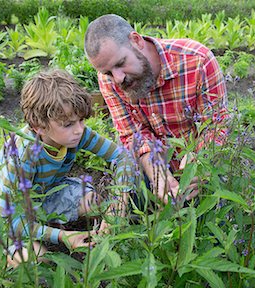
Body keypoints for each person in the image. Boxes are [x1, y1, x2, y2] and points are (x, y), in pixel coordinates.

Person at [0, 69, 131, 267]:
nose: (79, 129)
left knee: (95, 203)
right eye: (68, 124)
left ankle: (44, 225)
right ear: (39, 126)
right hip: (5, 211)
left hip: (44, 194)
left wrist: (119, 202)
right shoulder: (22, 156)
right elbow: (10, 221)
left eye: (81, 120)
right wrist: (63, 236)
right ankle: (6, 248)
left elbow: (122, 156)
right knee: (37, 259)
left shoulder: (77, 134)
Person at [84, 14, 228, 204]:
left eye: (120, 64)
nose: (118, 78)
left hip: (198, 163)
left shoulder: (197, 61)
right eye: (108, 72)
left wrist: (198, 164)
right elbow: (132, 134)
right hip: (155, 166)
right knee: (135, 204)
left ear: (136, 41)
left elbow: (216, 125)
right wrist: (157, 172)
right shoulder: (109, 81)